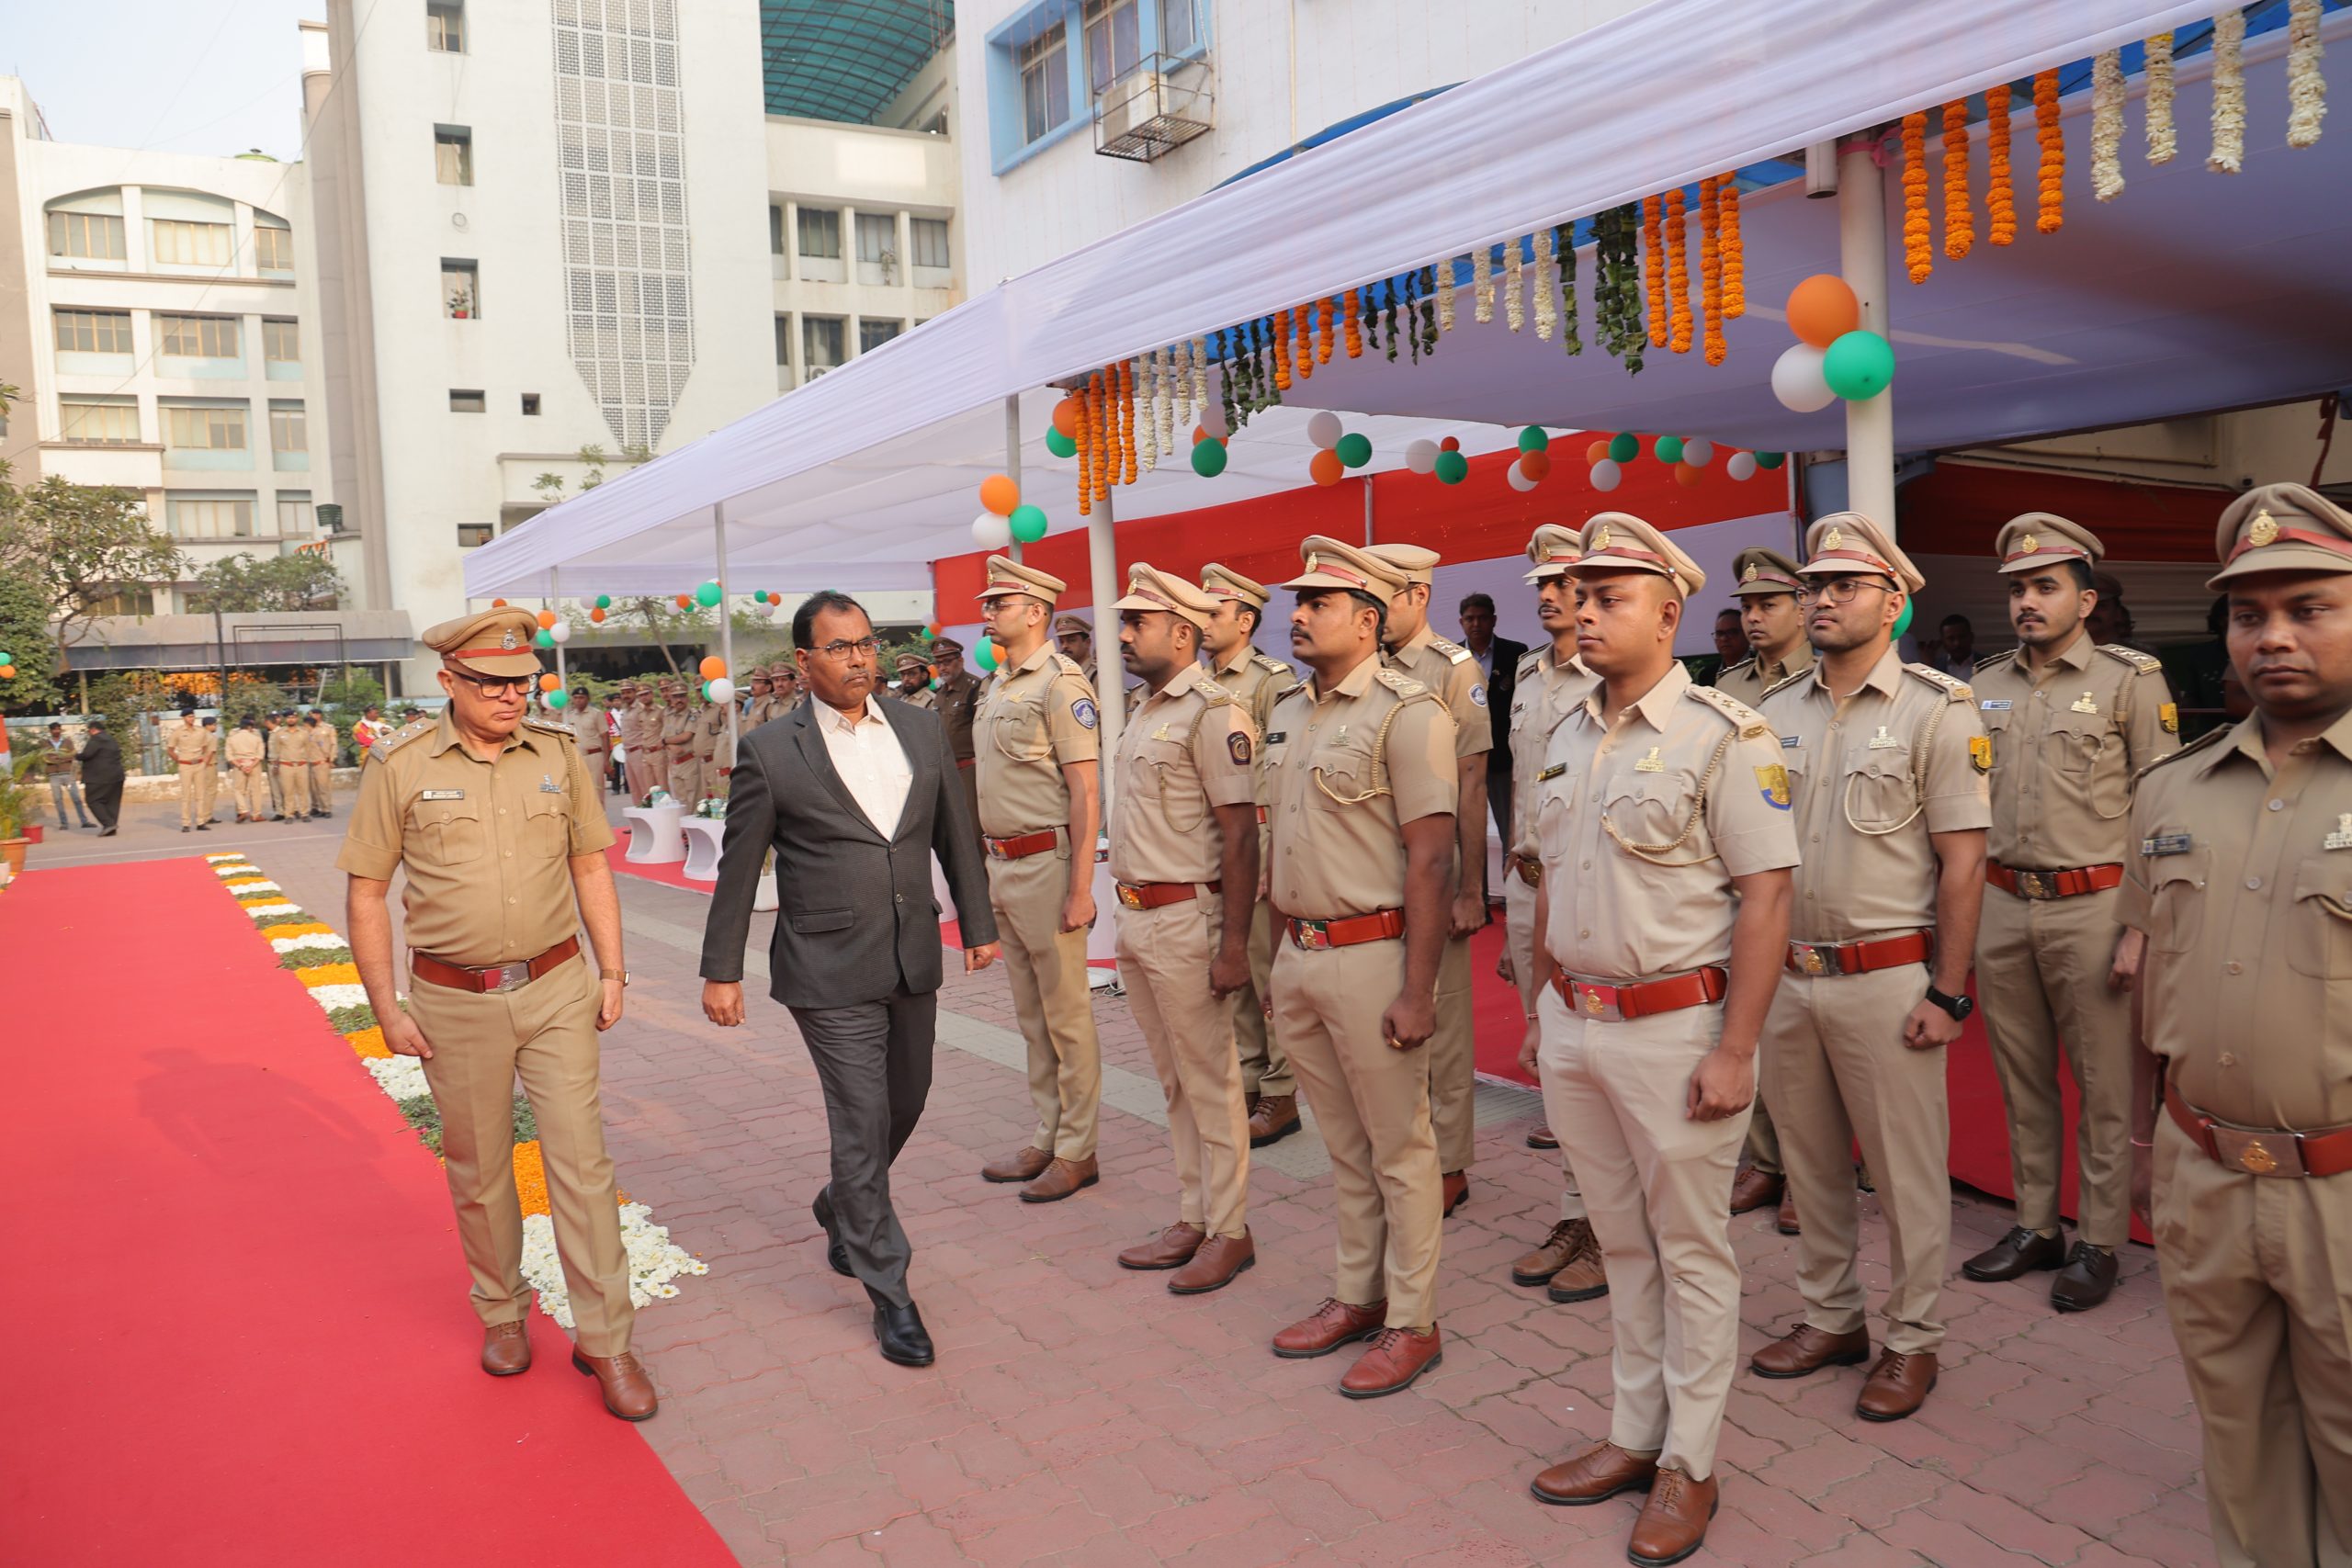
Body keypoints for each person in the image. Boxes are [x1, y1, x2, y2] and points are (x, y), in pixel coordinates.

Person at [1518, 513, 1797, 1565]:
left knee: (1689, 1252)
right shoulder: (1565, 733)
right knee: (1622, 1243)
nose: (1583, 614)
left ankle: (1691, 1461)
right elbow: (1550, 882)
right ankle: (1633, 1434)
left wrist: (1735, 1050)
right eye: (1578, 598)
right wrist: (1543, 1009)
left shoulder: (1725, 735)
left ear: (1669, 614)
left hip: (1675, 1029)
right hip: (1576, 1025)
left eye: (1609, 598)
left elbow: (1767, 897)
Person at [337, 607, 653, 1420]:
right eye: (492, 683)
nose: (513, 696)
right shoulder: (401, 763)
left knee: (581, 1164)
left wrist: (612, 970)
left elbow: (591, 865)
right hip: (453, 1000)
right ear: (449, 680)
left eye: (524, 682)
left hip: (555, 988)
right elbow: (368, 892)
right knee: (479, 1170)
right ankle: (503, 1312)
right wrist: (385, 1005)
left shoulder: (557, 753)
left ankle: (607, 1341)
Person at [2122, 482, 2352, 1568]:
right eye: (2249, 615)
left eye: (2309, 608)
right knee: (2240, 1443)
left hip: (2341, 1195)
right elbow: (2144, 984)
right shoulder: (2169, 792)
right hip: (2203, 1175)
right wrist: (2140, 1146)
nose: (2273, 638)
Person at [699, 590, 999, 1369]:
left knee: (907, 1100)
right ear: (804, 661)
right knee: (861, 1121)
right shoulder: (771, 750)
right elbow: (739, 867)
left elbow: (955, 832)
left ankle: (841, 1201)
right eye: (840, 647)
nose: (859, 658)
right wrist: (721, 971)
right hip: (825, 965)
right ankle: (891, 1290)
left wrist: (979, 923)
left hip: (910, 954)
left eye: (866, 643)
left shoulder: (919, 728)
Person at [1750, 513, 1989, 1424]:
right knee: (1810, 1165)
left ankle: (1913, 1337)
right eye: (1813, 585)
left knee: (1905, 1175)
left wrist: (1947, 992)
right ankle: (1831, 1318)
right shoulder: (1771, 713)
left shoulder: (1937, 708)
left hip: (1887, 979)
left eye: (1844, 585)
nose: (1821, 599)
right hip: (1788, 977)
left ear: (1892, 602)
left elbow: (1963, 863)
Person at [1962, 513, 2177, 1314]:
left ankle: (2099, 1241)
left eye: (2045, 586)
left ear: (2085, 600)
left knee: (2105, 1087)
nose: (2027, 601)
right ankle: (2035, 1225)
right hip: (2002, 903)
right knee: (2022, 1079)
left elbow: (2163, 813)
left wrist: (2141, 926)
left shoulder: (2131, 680)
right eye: (2018, 588)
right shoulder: (1983, 683)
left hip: (2095, 907)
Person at [1261, 536, 1456, 1397]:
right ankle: (1357, 1293)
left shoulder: (1408, 713)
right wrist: (1279, 959)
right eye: (1298, 602)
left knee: (1400, 1148)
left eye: (1319, 603)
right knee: (1343, 1146)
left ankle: (1414, 1319)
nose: (1299, 615)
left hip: (1373, 956)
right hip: (1301, 956)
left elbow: (1432, 858)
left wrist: (1419, 989)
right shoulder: (1288, 710)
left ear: (1369, 620)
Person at [1103, 565, 1262, 1293]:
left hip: (1185, 917)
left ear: (1181, 633)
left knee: (1211, 1080)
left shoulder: (1213, 713)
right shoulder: (1143, 710)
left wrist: (1233, 946)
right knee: (1174, 1080)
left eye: (1137, 622)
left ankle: (1230, 1229)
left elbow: (1241, 836)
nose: (1124, 634)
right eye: (1125, 621)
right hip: (1138, 915)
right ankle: (1194, 1214)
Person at [1495, 526, 1607, 1306]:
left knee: (1599, 1062)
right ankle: (1577, 1212)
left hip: (1587, 888)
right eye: (1541, 584)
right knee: (1557, 1061)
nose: (1548, 596)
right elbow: (1521, 787)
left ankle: (1610, 1223)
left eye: (1561, 583)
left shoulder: (1605, 675)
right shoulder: (1531, 675)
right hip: (1532, 881)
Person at [972, 558, 1106, 1202]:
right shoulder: (998, 684)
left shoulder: (1061, 683)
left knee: (1067, 1016)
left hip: (1047, 866)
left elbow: (1085, 791)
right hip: (1003, 864)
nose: (986, 612)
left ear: (1035, 612)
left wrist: (1081, 890)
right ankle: (1048, 1134)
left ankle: (1078, 1149)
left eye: (998, 603)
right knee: (1032, 1016)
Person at [1365, 541, 1488, 1218]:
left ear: (1418, 596)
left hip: (1437, 872)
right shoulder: (1366, 664)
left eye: (1383, 595)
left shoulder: (1452, 669)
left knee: (1443, 1025)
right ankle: (1402, 1154)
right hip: (1378, 872)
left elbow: (1471, 780)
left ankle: (1450, 1164)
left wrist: (1470, 889)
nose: (1372, 608)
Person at [1716, 547, 1816, 1233]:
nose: (1754, 617)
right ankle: (1767, 1161)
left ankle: (1812, 1171)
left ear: (1802, 608)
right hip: (1740, 880)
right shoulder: (1729, 685)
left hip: (1806, 878)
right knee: (1748, 1023)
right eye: (1747, 606)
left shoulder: (1824, 679)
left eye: (1768, 604)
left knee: (1804, 1042)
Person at [1199, 563, 1302, 1149]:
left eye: (1215, 612)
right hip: (1214, 842)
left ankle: (1281, 1091)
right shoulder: (1199, 681)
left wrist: (1272, 855)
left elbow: (1282, 774)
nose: (1203, 621)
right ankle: (1248, 1078)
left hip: (1256, 841)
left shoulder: (1269, 681)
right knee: (1231, 965)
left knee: (1264, 971)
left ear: (1245, 621)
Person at [1458, 591, 1527, 846]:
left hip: (1503, 757)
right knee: (1468, 832)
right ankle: (1475, 875)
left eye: (1483, 618)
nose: (1476, 624)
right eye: (1470, 619)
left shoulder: (1515, 653)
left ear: (1494, 620)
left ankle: (1512, 871)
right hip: (1465, 757)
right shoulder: (1450, 657)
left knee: (1510, 829)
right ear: (1461, 622)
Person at [932, 637, 983, 829]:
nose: (942, 668)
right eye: (938, 663)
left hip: (969, 771)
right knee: (952, 828)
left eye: (947, 662)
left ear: (960, 661)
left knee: (971, 828)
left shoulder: (974, 688)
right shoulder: (940, 694)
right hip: (946, 771)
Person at [166, 705, 217, 833]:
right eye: (189, 717)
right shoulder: (178, 732)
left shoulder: (200, 731)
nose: (192, 719)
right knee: (186, 795)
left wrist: (203, 760)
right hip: (185, 765)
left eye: (193, 716)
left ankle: (201, 822)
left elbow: (205, 747)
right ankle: (186, 823)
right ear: (184, 718)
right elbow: (170, 750)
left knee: (200, 794)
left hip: (199, 764)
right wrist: (179, 760)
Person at [42, 723, 96, 829]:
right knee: (58, 800)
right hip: (53, 774)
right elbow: (46, 758)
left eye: (58, 729)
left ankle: (84, 821)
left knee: (76, 798)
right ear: (50, 731)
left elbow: (73, 756)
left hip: (67, 773)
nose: (57, 731)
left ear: (60, 730)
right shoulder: (45, 743)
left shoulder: (67, 741)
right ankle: (64, 823)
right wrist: (63, 758)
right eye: (54, 730)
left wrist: (58, 758)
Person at [78, 718, 124, 835]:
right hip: (117, 775)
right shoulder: (112, 739)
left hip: (98, 777)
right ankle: (111, 828)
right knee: (112, 802)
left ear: (93, 730)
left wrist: (76, 756)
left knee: (93, 800)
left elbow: (87, 755)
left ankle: (108, 824)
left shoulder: (96, 739)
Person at [662, 682, 701, 806]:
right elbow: (662, 737)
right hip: (675, 763)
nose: (679, 700)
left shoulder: (693, 714)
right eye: (675, 697)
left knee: (693, 800)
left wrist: (666, 741)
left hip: (689, 762)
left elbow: (685, 736)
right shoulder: (669, 716)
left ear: (687, 697)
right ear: (671, 698)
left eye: (682, 696)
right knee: (680, 801)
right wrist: (669, 744)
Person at [223, 716, 269, 823]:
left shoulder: (232, 738)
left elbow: (229, 755)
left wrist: (241, 766)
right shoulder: (256, 738)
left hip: (239, 764)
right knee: (255, 790)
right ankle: (256, 814)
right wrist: (251, 765)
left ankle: (243, 810)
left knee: (238, 790)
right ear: (250, 727)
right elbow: (260, 754)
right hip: (254, 764)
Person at [270, 707, 313, 821]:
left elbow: (308, 748)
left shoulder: (304, 732)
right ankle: (289, 814)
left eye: (293, 717)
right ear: (285, 719)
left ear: (297, 719)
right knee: (288, 791)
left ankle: (304, 813)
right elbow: (277, 751)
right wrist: (276, 765)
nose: (291, 719)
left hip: (301, 765)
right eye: (289, 717)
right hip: (286, 765)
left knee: (303, 791)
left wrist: (306, 761)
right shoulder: (280, 733)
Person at [567, 683, 611, 789]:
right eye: (576, 698)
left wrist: (606, 760)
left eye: (581, 697)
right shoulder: (570, 716)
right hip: (578, 756)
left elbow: (605, 737)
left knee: (596, 789)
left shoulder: (596, 714)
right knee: (581, 790)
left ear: (588, 699)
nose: (578, 700)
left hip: (594, 756)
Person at [303, 710, 337, 818]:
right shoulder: (306, 729)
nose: (311, 716)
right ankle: (315, 807)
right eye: (309, 715)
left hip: (322, 761)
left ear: (319, 715)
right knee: (313, 788)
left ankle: (326, 809)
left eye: (313, 714)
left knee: (323, 787)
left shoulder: (328, 728)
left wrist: (331, 759)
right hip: (310, 762)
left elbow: (333, 744)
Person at [1054, 612, 1097, 685]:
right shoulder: (1060, 674)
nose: (1064, 646)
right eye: (1061, 641)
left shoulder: (1096, 675)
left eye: (1071, 640)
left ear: (1087, 643)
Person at [1711, 607, 1747, 674]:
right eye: (1719, 633)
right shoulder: (1706, 674)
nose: (1724, 638)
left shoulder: (1762, 669)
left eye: (1732, 632)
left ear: (1746, 635)